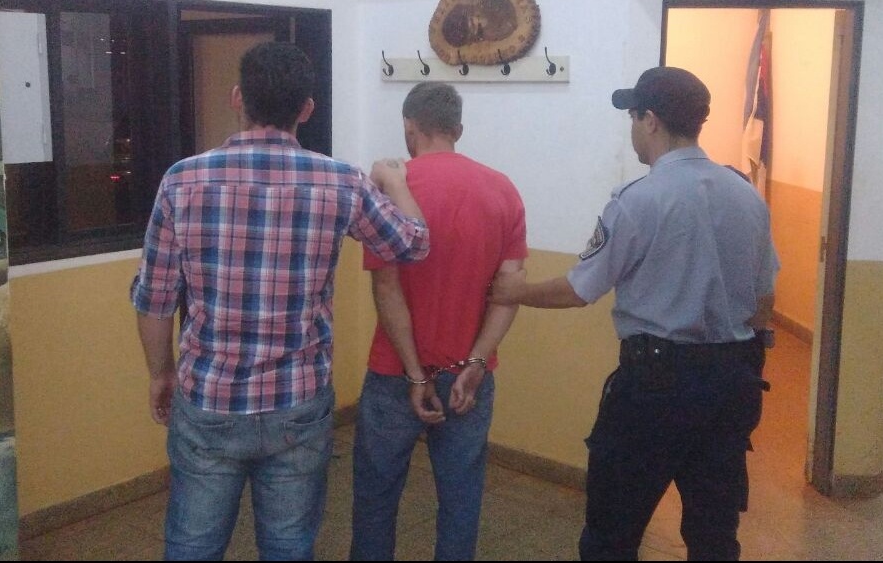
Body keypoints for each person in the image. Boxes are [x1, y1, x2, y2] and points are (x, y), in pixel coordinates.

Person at [130, 42, 430, 561]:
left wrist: (160, 374)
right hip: (299, 400)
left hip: (208, 396)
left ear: (237, 98)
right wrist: (397, 181)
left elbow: (155, 299)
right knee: (289, 545)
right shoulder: (341, 181)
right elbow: (414, 243)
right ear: (306, 109)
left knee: (193, 545)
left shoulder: (183, 179)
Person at [489, 66, 778, 561]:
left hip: (655, 389)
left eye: (632, 117)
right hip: (731, 385)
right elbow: (763, 301)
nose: (631, 130)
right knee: (714, 535)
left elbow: (579, 289)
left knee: (612, 534)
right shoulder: (747, 196)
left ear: (650, 120)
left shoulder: (637, 201)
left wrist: (515, 290)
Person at [350, 82, 528, 561]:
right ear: (458, 130)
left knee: (376, 498)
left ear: (409, 126)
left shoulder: (390, 189)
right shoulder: (502, 189)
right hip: (468, 376)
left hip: (395, 371)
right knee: (461, 498)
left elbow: (387, 289)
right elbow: (508, 292)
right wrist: (476, 362)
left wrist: (414, 373)